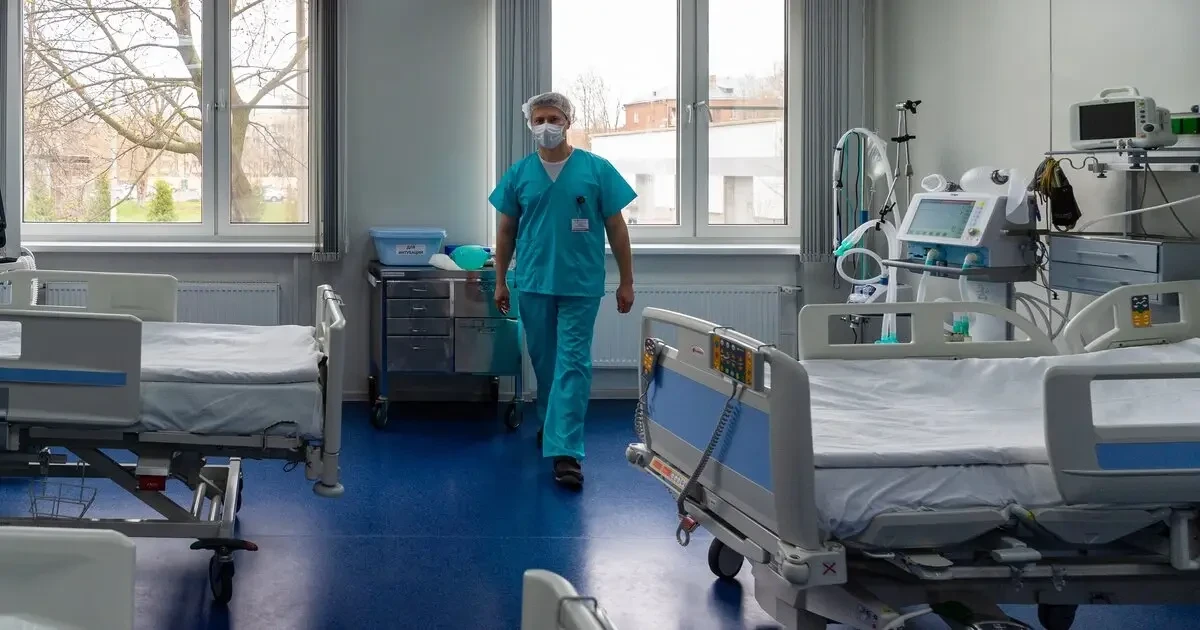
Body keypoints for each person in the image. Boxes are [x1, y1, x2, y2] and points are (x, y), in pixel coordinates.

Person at [489, 91, 636, 490]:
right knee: (546, 363)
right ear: (529, 124)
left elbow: (617, 228)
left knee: (573, 363)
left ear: (568, 122)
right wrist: (501, 280)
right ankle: (553, 426)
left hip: (580, 283)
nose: (546, 126)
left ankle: (566, 451)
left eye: (553, 118)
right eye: (538, 119)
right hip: (534, 281)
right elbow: (506, 231)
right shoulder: (519, 174)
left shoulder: (596, 169)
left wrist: (626, 280)